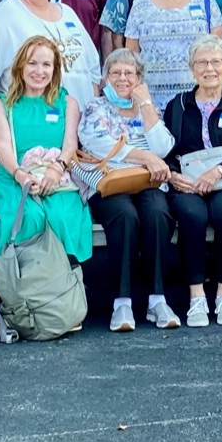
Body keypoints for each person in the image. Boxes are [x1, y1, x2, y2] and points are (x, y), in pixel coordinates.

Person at [0, 34, 90, 336]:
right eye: (33, 63)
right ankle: (26, 296)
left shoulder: (67, 102)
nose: (39, 71)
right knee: (28, 217)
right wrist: (21, 176)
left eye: (46, 64)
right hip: (15, 176)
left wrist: (57, 169)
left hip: (57, 175)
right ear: (20, 66)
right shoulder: (2, 105)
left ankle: (63, 296)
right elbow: (3, 147)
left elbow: (70, 145)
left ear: (55, 69)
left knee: (62, 215)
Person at [76, 49, 180, 332]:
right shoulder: (96, 107)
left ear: (139, 79)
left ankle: (157, 299)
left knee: (157, 213)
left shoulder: (148, 108)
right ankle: (121, 302)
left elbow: (162, 147)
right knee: (124, 216)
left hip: (147, 180)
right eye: (115, 73)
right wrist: (145, 157)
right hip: (110, 181)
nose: (122, 78)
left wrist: (145, 104)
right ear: (106, 78)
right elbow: (98, 144)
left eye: (129, 73)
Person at [163, 35, 222, 327]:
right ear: (192, 69)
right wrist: (173, 175)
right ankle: (197, 296)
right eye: (202, 63)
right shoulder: (177, 105)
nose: (209, 68)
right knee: (192, 215)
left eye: (216, 62)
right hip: (186, 184)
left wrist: (219, 171)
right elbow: (166, 149)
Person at [121, 0, 222, 105]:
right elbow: (131, 56)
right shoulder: (140, 5)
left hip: (196, 103)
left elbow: (218, 53)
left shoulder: (205, 0)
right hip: (152, 103)